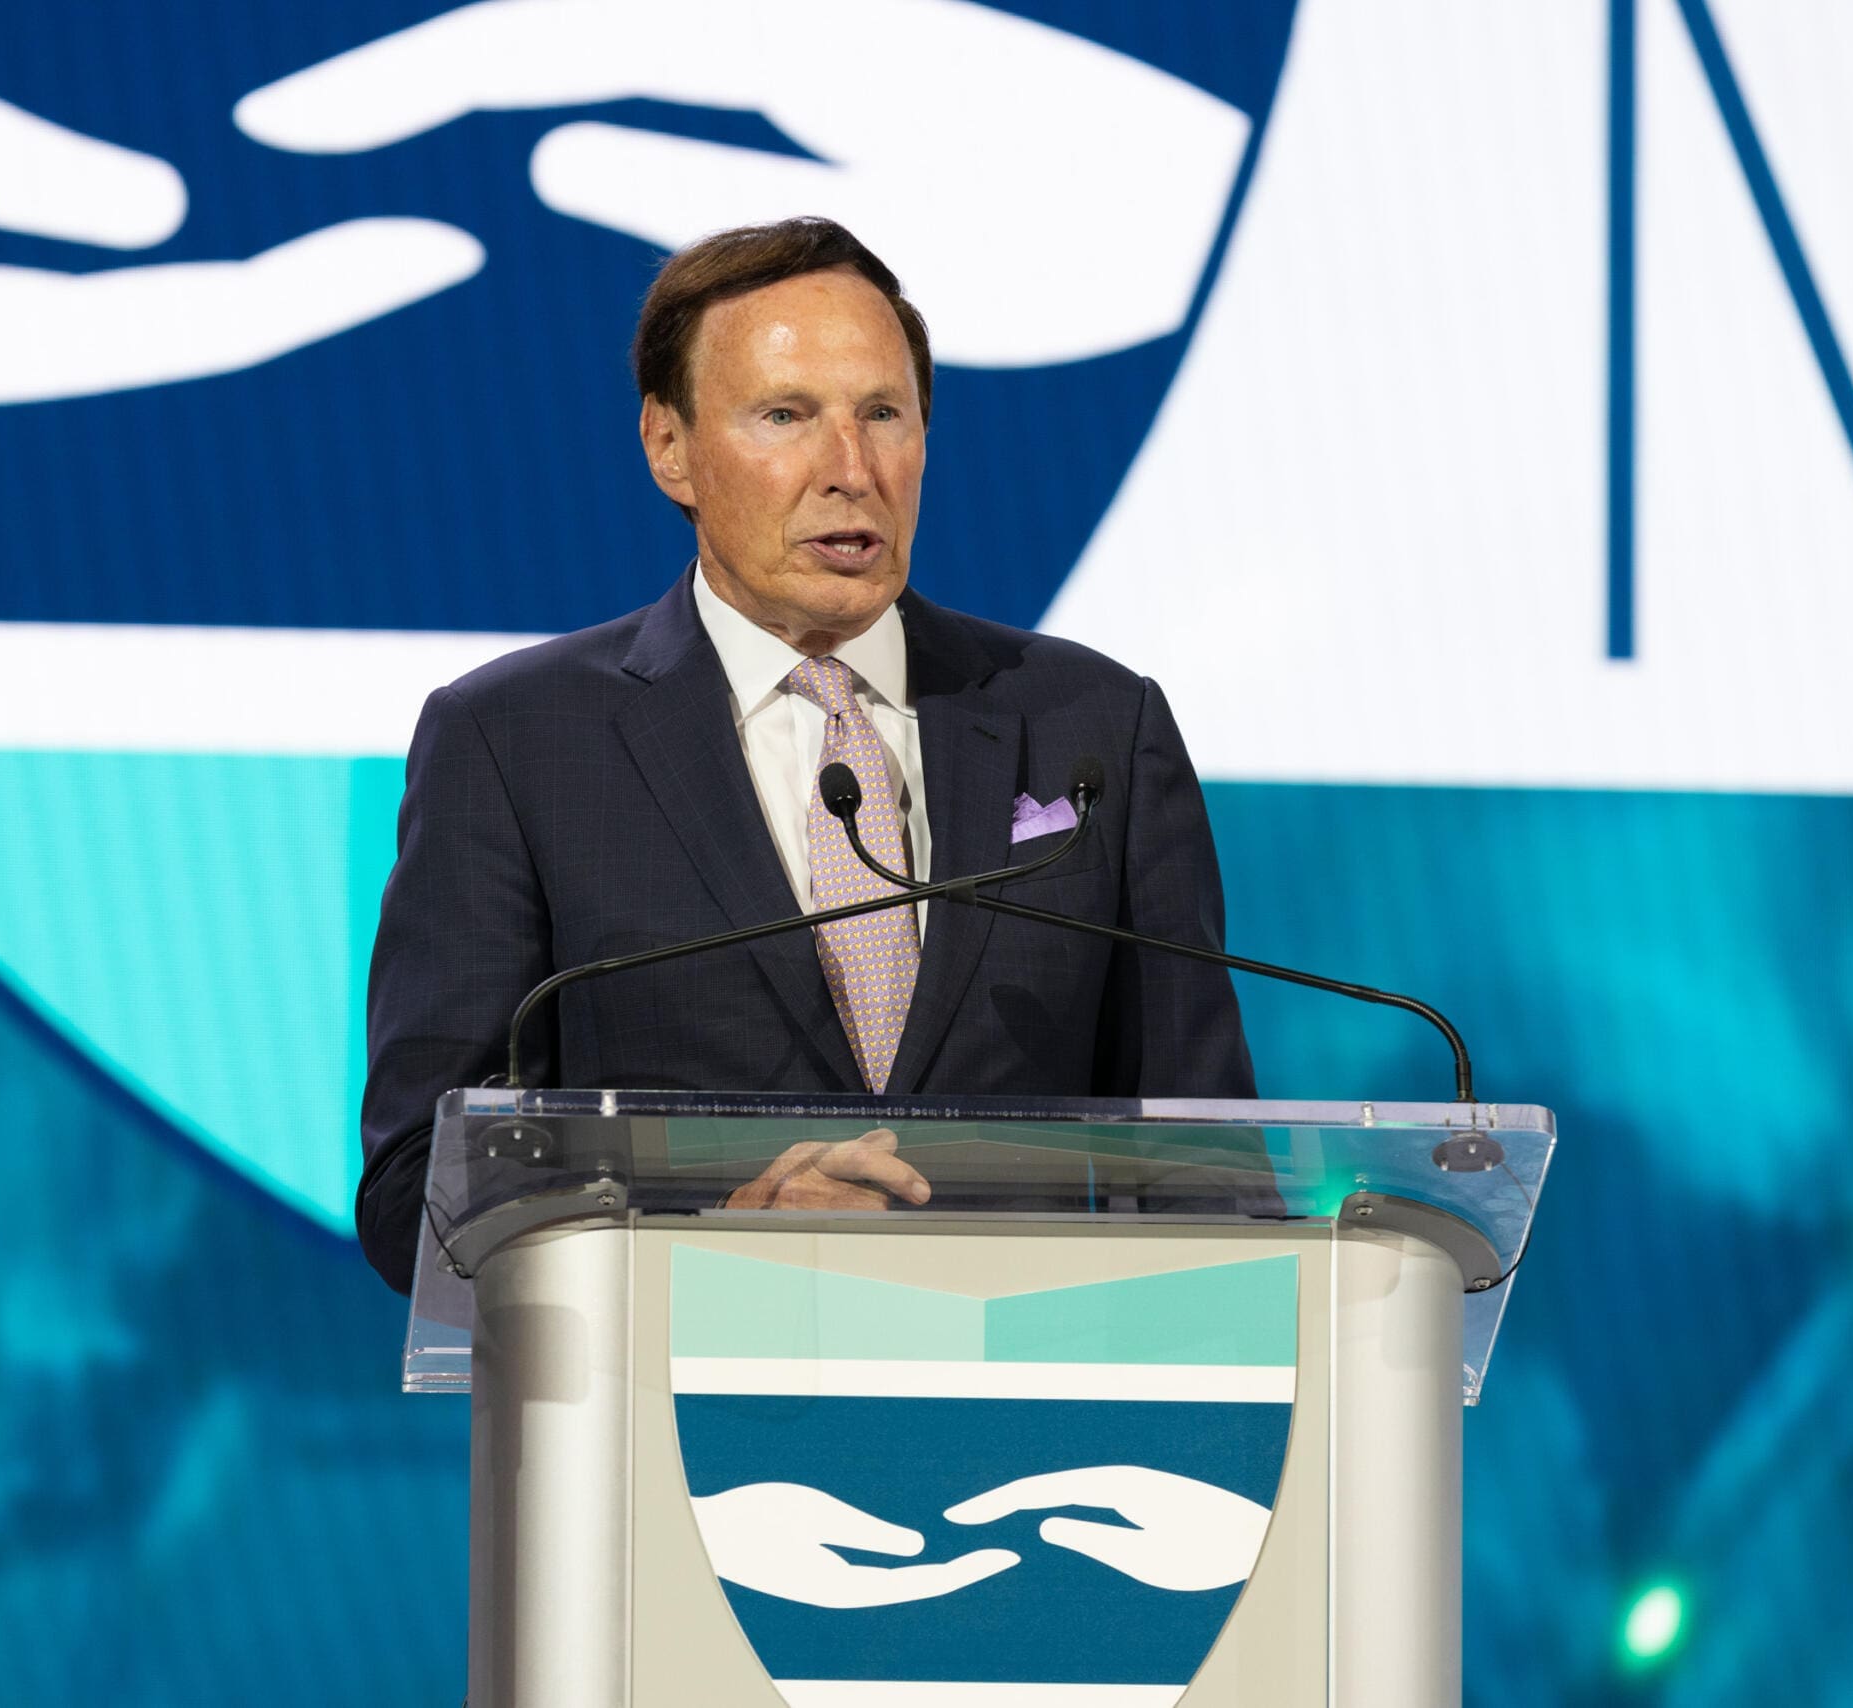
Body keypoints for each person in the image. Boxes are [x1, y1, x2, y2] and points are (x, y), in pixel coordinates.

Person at [358, 216, 1254, 1292]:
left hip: (1041, 1425)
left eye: (884, 413)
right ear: (669, 447)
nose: (850, 468)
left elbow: (1206, 1169)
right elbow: (422, 1188)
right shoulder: (515, 744)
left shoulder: (1090, 724)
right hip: (672, 1426)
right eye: (785, 415)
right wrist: (711, 1229)